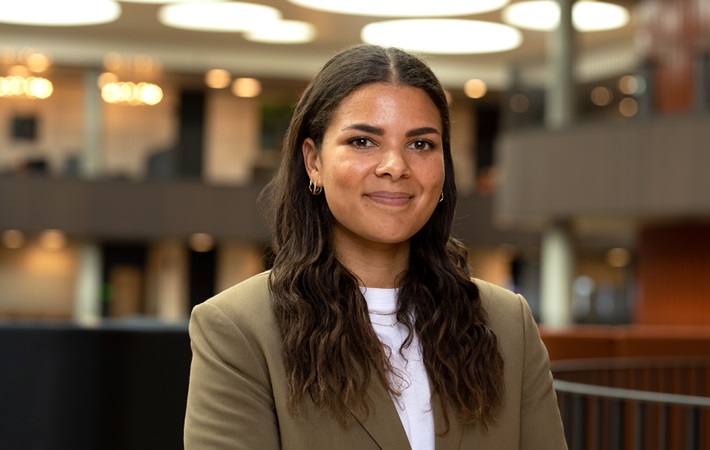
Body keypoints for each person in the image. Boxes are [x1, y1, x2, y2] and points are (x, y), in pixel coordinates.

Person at [184, 44, 567, 449]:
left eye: (420, 144)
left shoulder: (508, 324)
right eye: (364, 142)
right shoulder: (238, 329)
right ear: (314, 162)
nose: (395, 166)